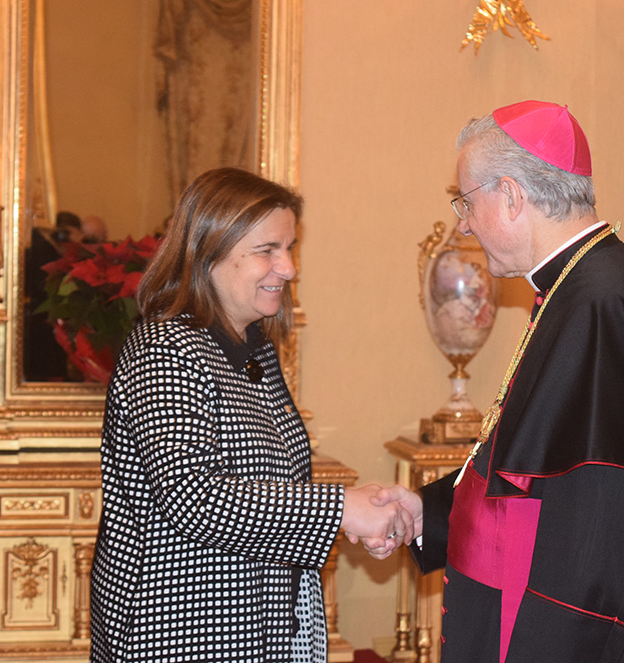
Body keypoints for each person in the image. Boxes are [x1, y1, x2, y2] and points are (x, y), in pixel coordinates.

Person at [369, 101, 624, 663]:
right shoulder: (574, 290)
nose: (464, 222)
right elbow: (525, 480)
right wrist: (426, 513)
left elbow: (593, 548)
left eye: (466, 201)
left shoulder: (600, 305)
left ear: (510, 196)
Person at [90, 167, 413, 663]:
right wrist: (340, 509)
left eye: (290, 248)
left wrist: (357, 508)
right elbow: (193, 497)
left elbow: (265, 484)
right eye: (267, 250)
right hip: (180, 635)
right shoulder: (166, 349)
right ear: (208, 253)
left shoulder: (252, 349)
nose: (289, 268)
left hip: (253, 630)